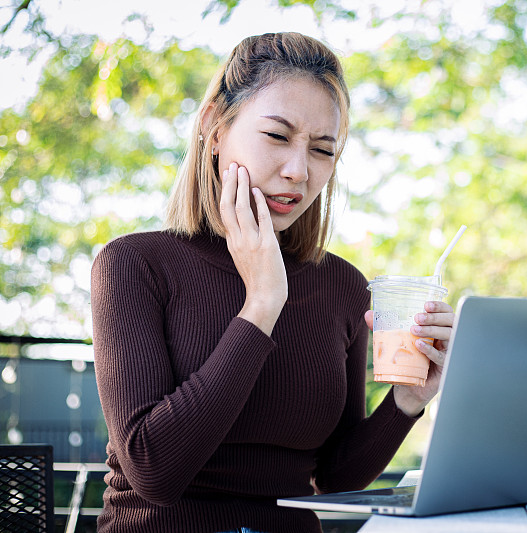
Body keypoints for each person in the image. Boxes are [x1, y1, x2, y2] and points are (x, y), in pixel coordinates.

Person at [90, 32, 454, 533]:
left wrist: (406, 403)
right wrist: (261, 304)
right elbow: (154, 471)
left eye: (323, 150)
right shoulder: (134, 265)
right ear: (214, 129)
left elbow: (335, 477)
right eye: (278, 137)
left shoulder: (343, 285)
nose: (298, 171)